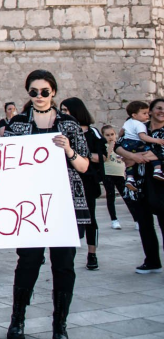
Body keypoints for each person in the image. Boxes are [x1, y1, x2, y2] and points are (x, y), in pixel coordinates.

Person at [3, 70, 90, 339]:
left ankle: (60, 326)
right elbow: (3, 163)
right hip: (30, 206)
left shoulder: (69, 125)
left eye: (44, 92)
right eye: (33, 92)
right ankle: (17, 320)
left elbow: (85, 166)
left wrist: (69, 151)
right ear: (28, 93)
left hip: (65, 204)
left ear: (53, 92)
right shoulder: (16, 125)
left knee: (63, 265)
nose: (39, 97)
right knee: (28, 262)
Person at [114, 97, 164, 274]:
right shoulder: (138, 125)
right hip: (138, 183)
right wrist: (132, 155)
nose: (161, 112)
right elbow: (118, 145)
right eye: (158, 108)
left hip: (159, 183)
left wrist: (133, 157)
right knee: (144, 223)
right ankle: (152, 261)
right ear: (150, 111)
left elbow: (159, 153)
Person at [61, 97, 105, 271]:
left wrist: (80, 154)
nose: (62, 113)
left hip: (86, 179)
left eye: (66, 110)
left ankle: (92, 253)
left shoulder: (92, 132)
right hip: (67, 181)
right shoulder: (61, 131)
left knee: (90, 218)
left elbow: (102, 156)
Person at [119, 101, 161, 191]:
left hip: (126, 144)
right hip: (136, 144)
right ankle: (157, 169)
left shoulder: (128, 122)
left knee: (130, 164)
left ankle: (130, 178)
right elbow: (143, 137)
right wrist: (157, 140)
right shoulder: (141, 125)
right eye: (144, 113)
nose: (147, 115)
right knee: (150, 150)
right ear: (134, 115)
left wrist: (131, 156)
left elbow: (121, 133)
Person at [101, 124, 135, 229]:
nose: (110, 137)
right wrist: (111, 146)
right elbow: (105, 158)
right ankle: (114, 220)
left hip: (120, 174)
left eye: (112, 134)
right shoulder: (103, 146)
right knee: (111, 197)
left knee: (127, 197)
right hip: (108, 174)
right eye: (107, 135)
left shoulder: (120, 147)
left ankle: (137, 219)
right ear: (103, 136)